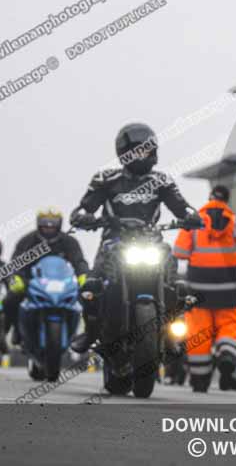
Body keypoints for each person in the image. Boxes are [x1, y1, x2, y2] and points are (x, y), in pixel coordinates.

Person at [69, 123, 202, 353]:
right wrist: (85, 219)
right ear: (125, 153)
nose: (143, 154)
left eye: (147, 150)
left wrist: (192, 217)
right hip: (114, 242)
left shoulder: (162, 181)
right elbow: (82, 210)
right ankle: (91, 334)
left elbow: (183, 208)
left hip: (151, 242)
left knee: (179, 286)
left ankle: (172, 331)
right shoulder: (106, 179)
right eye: (138, 150)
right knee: (90, 286)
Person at [173, 185, 236, 392]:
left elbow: (179, 251)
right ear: (227, 200)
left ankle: (200, 380)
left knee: (199, 331)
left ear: (209, 198)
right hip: (227, 287)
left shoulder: (194, 221)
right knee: (228, 325)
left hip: (198, 287)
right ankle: (227, 355)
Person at [3, 209, 89, 346]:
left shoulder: (69, 241)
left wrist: (83, 276)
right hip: (32, 284)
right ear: (38, 224)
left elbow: (79, 261)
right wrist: (17, 278)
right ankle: (15, 330)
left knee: (89, 297)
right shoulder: (28, 241)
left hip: (63, 284)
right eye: (45, 224)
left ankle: (86, 334)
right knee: (9, 300)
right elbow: (15, 263)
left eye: (53, 224)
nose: (49, 227)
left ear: (59, 224)